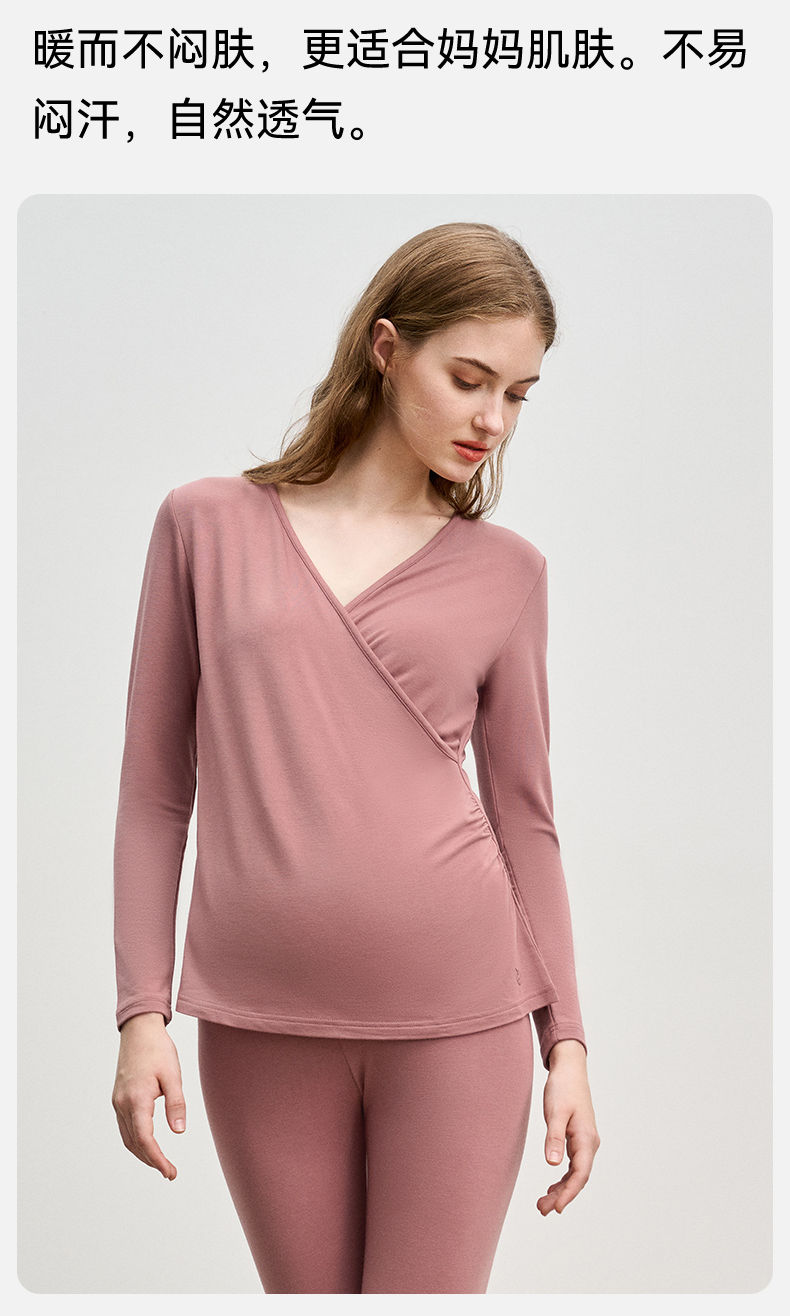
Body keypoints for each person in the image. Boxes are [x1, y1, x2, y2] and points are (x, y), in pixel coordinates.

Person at [111, 221, 600, 1295]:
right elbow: (153, 793)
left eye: (518, 395)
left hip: (461, 1016)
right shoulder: (204, 525)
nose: (492, 420)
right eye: (469, 379)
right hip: (260, 1015)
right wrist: (141, 1014)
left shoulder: (508, 572)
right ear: (387, 348)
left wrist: (565, 1042)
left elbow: (525, 817)